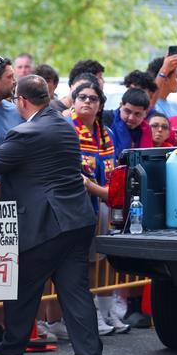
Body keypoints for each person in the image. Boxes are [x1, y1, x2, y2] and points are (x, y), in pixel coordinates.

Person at [0, 75, 104, 355]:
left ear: (21, 100)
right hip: (78, 220)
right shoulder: (63, 126)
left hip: (47, 223)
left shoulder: (27, 132)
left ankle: (11, 350)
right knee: (75, 292)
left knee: (21, 286)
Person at [67, 80, 131, 336]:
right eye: (82, 97)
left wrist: (107, 193)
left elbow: (114, 168)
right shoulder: (68, 128)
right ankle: (90, 312)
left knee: (105, 260)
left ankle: (107, 310)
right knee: (87, 261)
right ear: (73, 100)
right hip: (80, 204)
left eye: (93, 98)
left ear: (100, 105)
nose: (87, 102)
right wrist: (98, 191)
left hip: (105, 202)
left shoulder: (107, 132)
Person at [106, 88, 152, 158]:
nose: (131, 118)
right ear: (121, 105)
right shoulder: (105, 119)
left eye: (137, 114)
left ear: (145, 113)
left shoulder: (146, 129)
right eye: (127, 111)